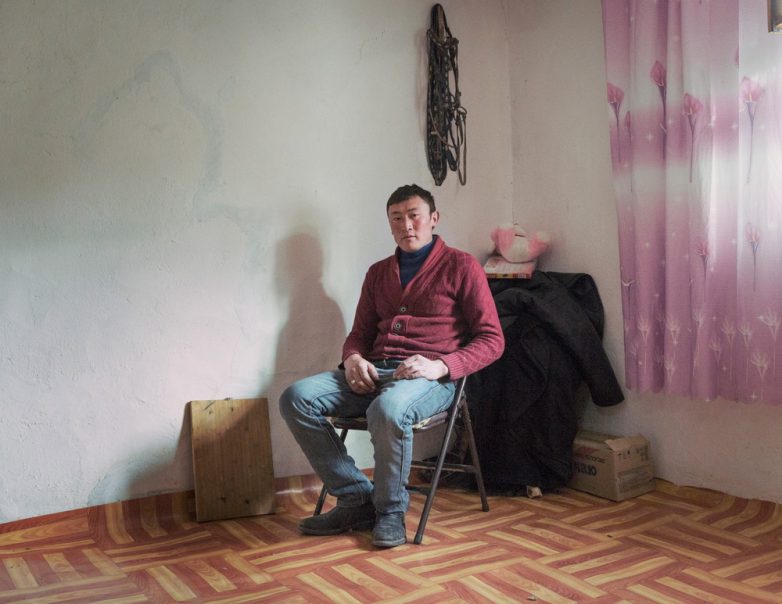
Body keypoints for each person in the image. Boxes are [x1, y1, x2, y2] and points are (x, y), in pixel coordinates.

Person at [279, 184, 504, 548]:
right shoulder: (378, 273)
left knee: (388, 409)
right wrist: (353, 359)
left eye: (414, 216)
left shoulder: (462, 266)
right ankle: (355, 497)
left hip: (430, 380)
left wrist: (441, 366)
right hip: (375, 372)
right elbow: (359, 334)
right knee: (296, 398)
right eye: (396, 218)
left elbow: (492, 340)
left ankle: (390, 511)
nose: (406, 225)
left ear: (434, 218)